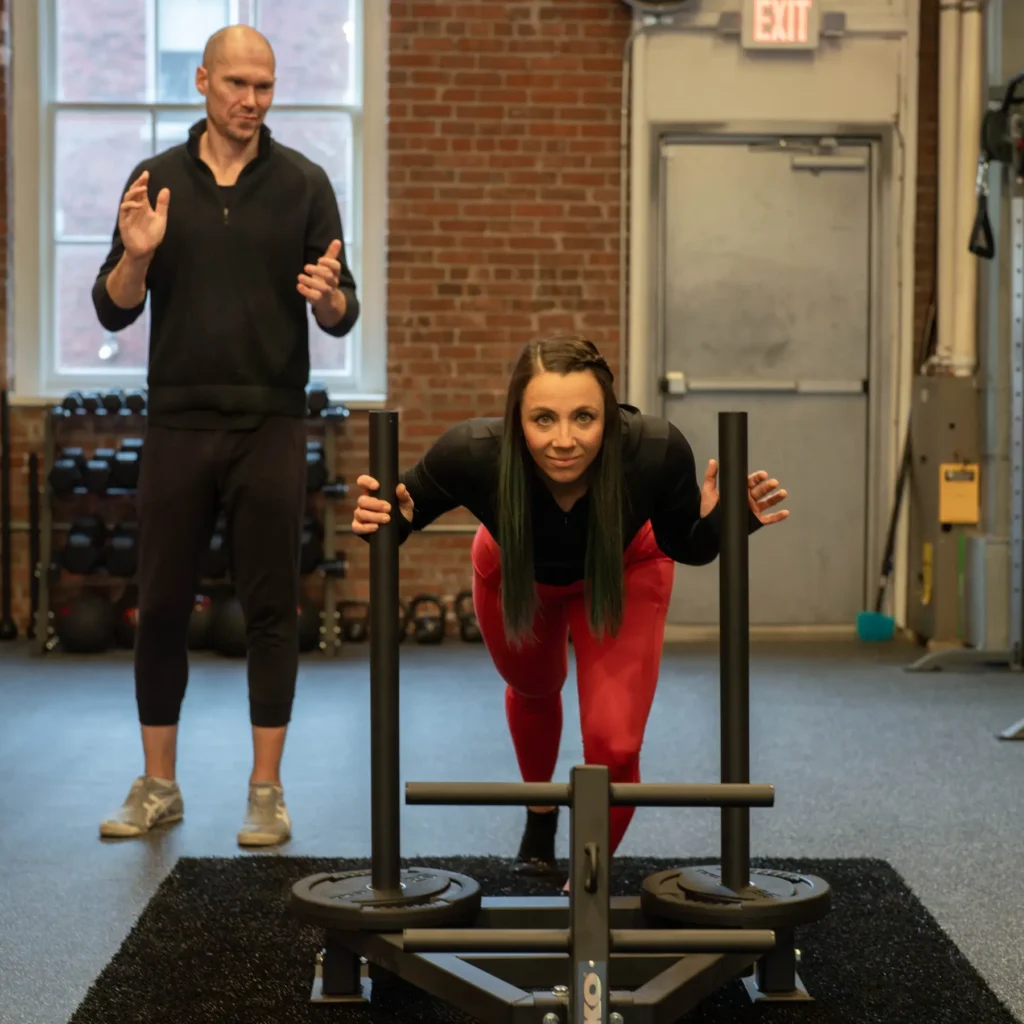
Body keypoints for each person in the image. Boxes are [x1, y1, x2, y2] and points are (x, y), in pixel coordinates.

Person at [351, 333, 787, 879]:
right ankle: (540, 812)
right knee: (535, 689)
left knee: (615, 740)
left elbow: (689, 546)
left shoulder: (654, 450)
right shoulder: (471, 452)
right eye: (543, 420)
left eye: (584, 418)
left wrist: (730, 520)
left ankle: (588, 879)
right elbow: (399, 518)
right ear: (517, 420)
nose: (564, 440)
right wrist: (381, 520)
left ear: (610, 414)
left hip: (628, 569)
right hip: (514, 572)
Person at [93, 25, 359, 846]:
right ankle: (159, 785)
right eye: (238, 83)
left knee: (274, 607)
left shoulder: (305, 183)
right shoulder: (156, 181)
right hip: (176, 421)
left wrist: (325, 298)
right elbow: (112, 306)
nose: (252, 100)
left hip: (271, 422)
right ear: (203, 81)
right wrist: (137, 256)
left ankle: (266, 790)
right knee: (164, 605)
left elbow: (344, 311)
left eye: (266, 86)